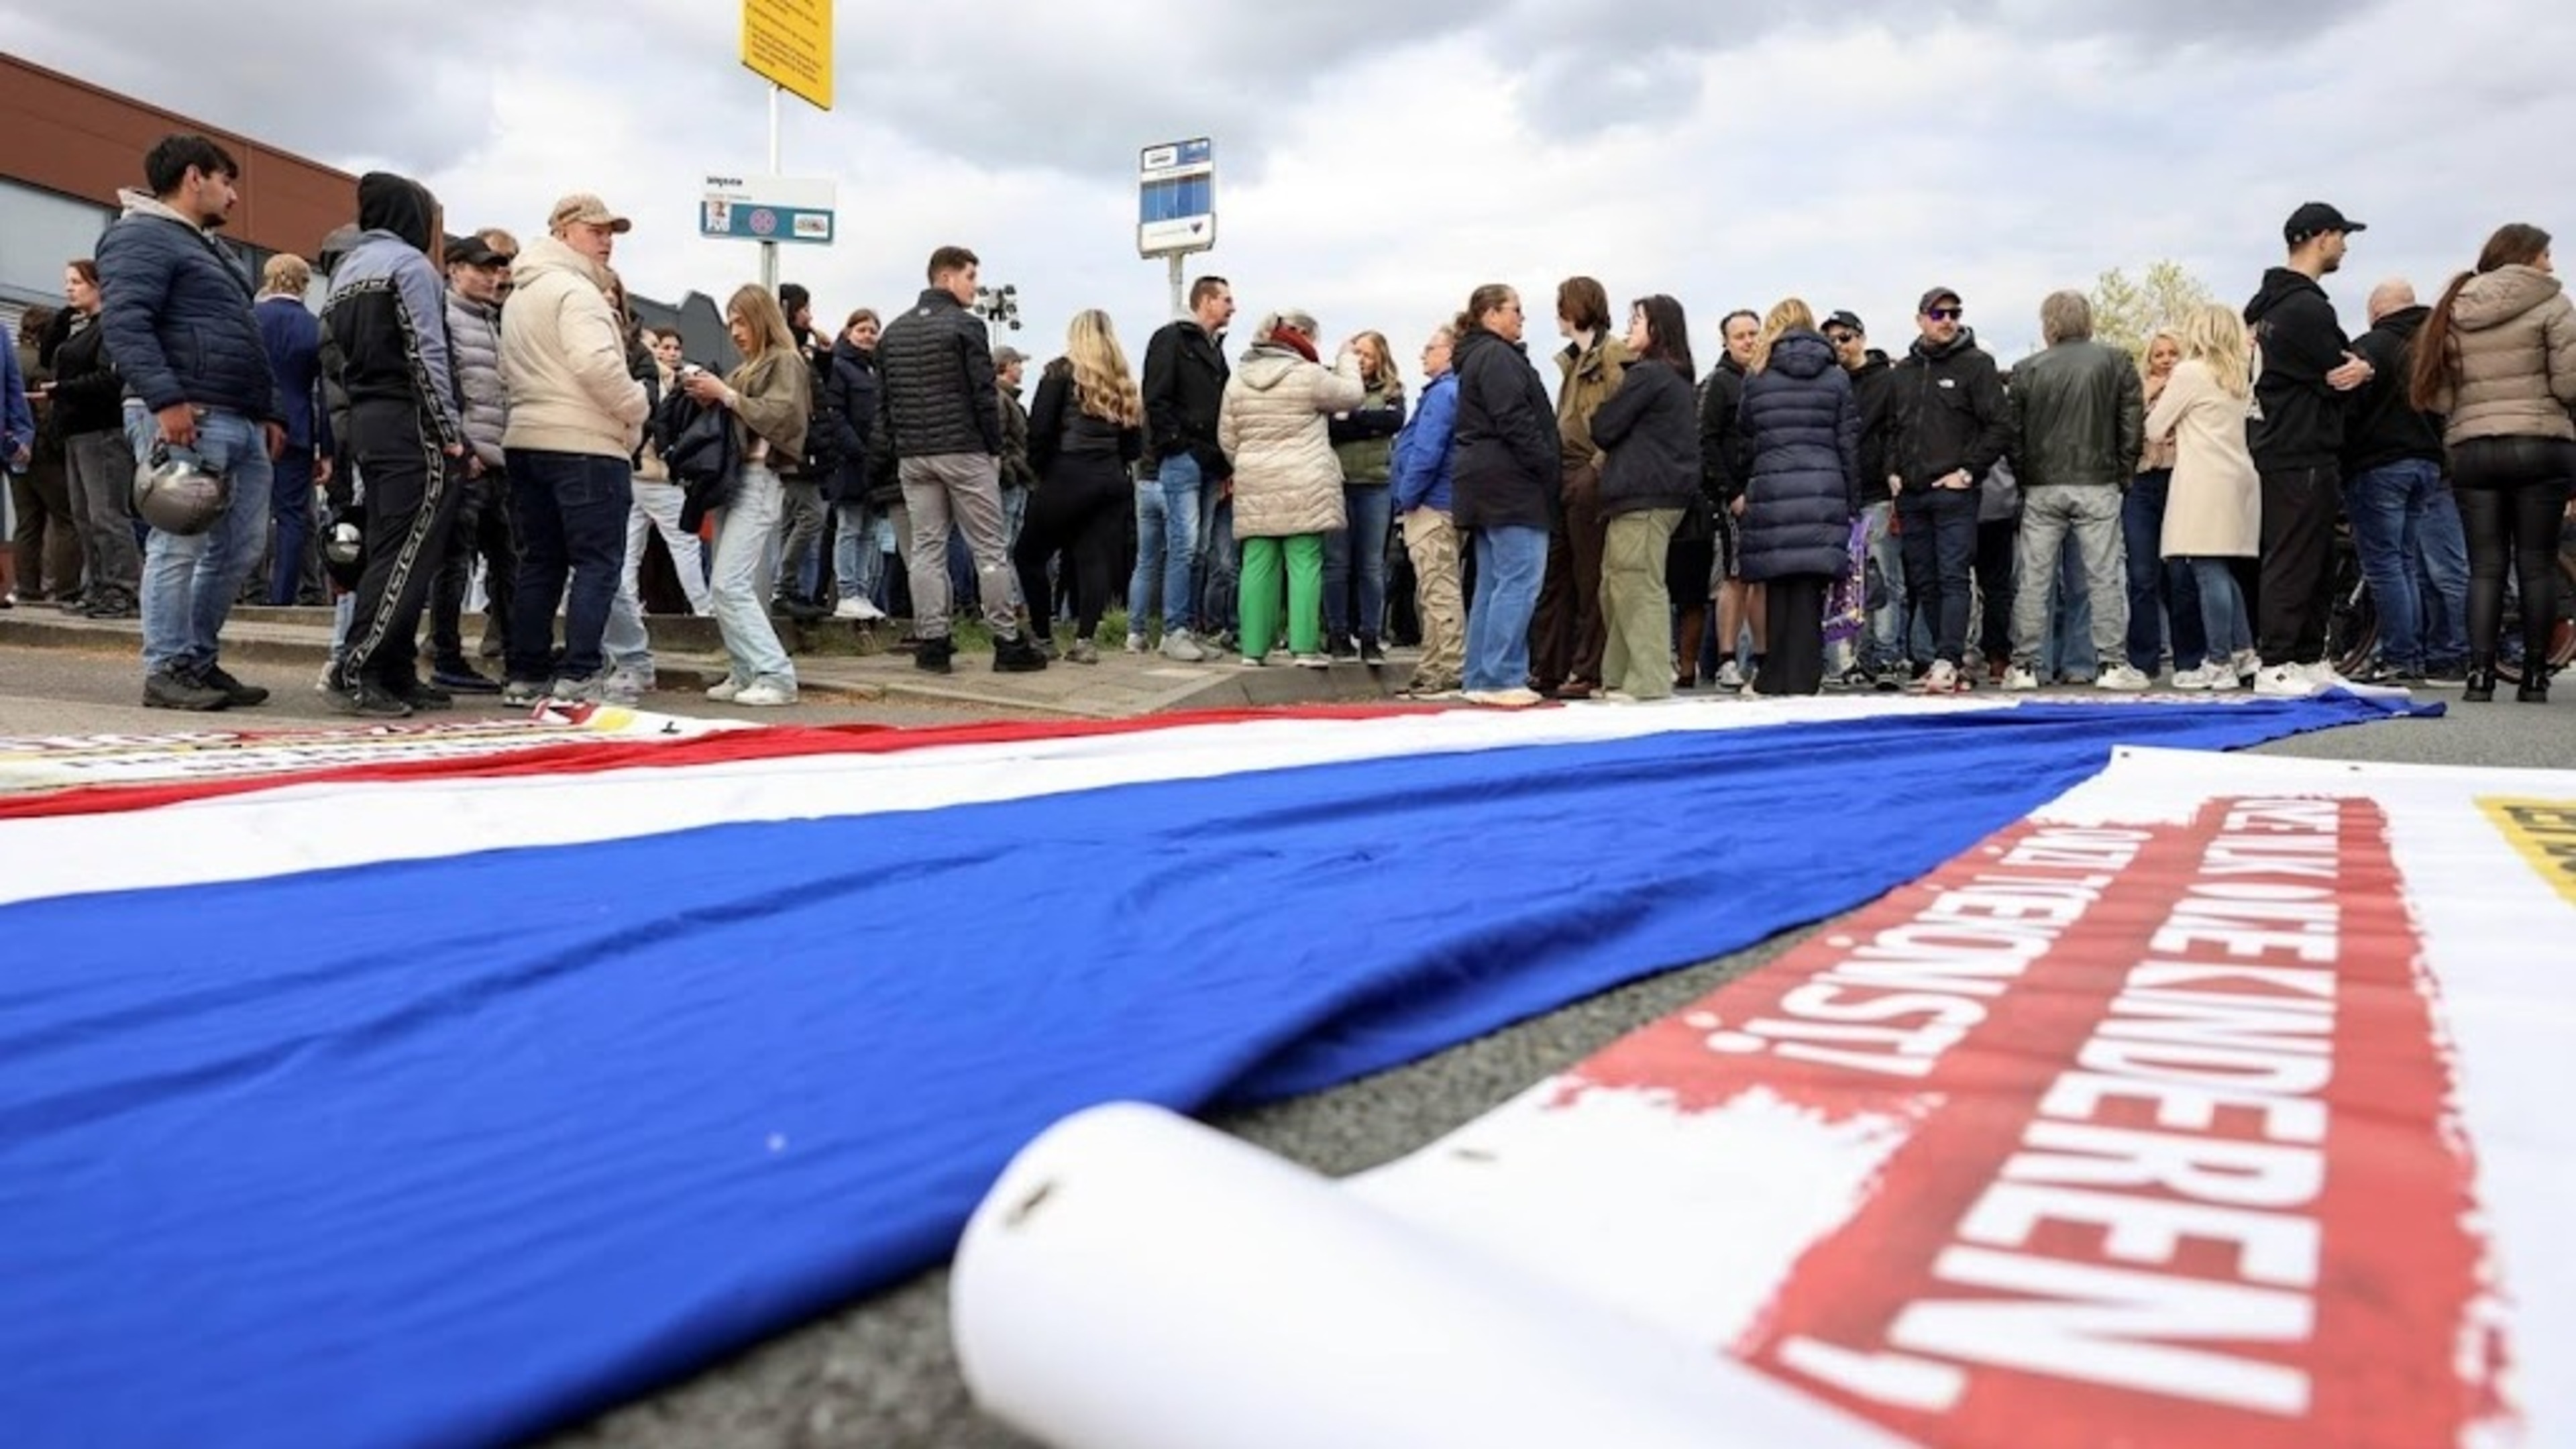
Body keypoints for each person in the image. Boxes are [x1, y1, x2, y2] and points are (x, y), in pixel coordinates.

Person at [97, 133, 284, 712]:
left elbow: (246, 337)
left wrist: (270, 411)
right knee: (178, 544)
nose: (233, 196)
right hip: (187, 414)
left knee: (242, 547)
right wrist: (165, 399)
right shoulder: (138, 236)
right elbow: (126, 323)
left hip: (238, 417)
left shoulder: (212, 250)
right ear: (194, 177)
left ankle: (197, 660)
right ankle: (167, 668)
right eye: (227, 182)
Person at [318, 172, 466, 718]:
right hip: (409, 420)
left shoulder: (348, 269)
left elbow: (331, 358)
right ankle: (360, 668)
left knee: (389, 545)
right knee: (406, 552)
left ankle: (394, 668)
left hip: (366, 418)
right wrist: (449, 433)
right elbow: (427, 352)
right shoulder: (411, 268)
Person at [2410, 222, 2576, 704]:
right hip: (2540, 442)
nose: (2551, 265)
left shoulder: (2455, 307)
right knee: (2537, 563)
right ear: (2527, 257)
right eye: (2546, 255)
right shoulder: (2553, 304)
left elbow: (2439, 394)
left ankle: (2479, 674)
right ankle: (2534, 676)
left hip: (2473, 449)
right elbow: (2569, 385)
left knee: (2485, 566)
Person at [497, 193, 651, 705]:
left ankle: (526, 674)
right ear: (563, 232)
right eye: (596, 230)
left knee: (541, 563)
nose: (607, 241)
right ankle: (580, 671)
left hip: (527, 438)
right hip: (584, 442)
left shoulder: (519, 295)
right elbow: (596, 366)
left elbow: (507, 371)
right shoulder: (577, 292)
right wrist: (639, 405)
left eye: (611, 232)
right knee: (597, 562)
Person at [877, 245, 1046, 674]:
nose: (975, 285)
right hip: (964, 450)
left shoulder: (892, 332)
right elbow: (982, 396)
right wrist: (993, 449)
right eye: (971, 276)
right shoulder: (967, 327)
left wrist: (898, 446)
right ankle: (1007, 642)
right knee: (988, 547)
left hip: (914, 456)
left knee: (927, 550)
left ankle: (933, 642)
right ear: (947, 277)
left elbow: (884, 403)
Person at [2245, 202, 2377, 696]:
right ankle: (2277, 661)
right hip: (2299, 444)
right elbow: (2339, 370)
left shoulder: (2270, 306)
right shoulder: (2304, 307)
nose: (2344, 245)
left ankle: (2305, 657)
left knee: (2316, 556)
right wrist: (2363, 367)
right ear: (2320, 236)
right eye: (2342, 235)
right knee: (2295, 555)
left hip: (2287, 442)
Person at [2002, 290, 2149, 691]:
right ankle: (2112, 664)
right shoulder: (2116, 361)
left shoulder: (2026, 369)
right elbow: (2131, 427)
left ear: (2048, 325)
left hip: (2043, 485)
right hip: (2098, 481)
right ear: (2088, 320)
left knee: (2034, 579)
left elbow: (2012, 434)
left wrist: (2026, 476)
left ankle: (2026, 666)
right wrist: (2123, 474)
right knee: (2102, 577)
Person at [681, 285, 814, 706]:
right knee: (726, 583)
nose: (735, 330)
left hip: (758, 478)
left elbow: (785, 417)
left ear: (761, 319)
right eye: (731, 322)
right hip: (735, 480)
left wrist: (724, 394)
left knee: (729, 583)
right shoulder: (754, 365)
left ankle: (775, 674)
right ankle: (744, 670)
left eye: (741, 321)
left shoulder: (785, 362)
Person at [1218, 309, 1364, 667]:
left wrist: (1252, 462)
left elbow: (1227, 437)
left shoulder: (1237, 381)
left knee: (1256, 563)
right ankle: (1304, 648)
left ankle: (1252, 650)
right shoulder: (1309, 376)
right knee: (1304, 563)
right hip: (1305, 482)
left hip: (1256, 482)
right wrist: (1347, 358)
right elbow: (1353, 395)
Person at [1884, 285, 2011, 694]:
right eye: (1939, 314)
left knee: (1954, 575)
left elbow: (2000, 425)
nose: (1948, 321)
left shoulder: (1977, 364)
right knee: (1924, 580)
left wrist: (1970, 471)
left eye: (1954, 313)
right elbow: (1891, 427)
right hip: (1913, 491)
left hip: (1955, 491)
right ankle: (1944, 657)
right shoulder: (1902, 372)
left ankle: (1949, 659)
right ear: (1920, 318)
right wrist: (1892, 470)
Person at [1734, 299, 1860, 696]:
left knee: (1778, 585)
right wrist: (1852, 502)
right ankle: (1806, 677)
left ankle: (1775, 675)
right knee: (1810, 588)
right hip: (1823, 487)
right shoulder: (1836, 377)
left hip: (1774, 485)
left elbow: (1745, 429)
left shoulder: (1757, 376)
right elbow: (1848, 443)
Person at [1012, 311, 1144, 664]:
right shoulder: (1123, 380)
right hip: (1112, 480)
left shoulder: (1059, 373)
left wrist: (1039, 472)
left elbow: (1039, 431)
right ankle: (1086, 640)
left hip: (1067, 474)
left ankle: (1042, 635)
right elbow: (1134, 445)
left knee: (1029, 555)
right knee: (1093, 560)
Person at [1587, 295, 1701, 702]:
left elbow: (1604, 426)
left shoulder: (1650, 375)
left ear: (1658, 329)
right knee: (1616, 584)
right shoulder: (1672, 377)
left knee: (1637, 583)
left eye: (1637, 320)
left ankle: (1648, 681)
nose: (1628, 328)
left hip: (1645, 494)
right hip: (1648, 494)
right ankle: (1618, 676)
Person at [1451, 284, 1560, 707]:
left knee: (1493, 584)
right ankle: (1502, 676)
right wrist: (1546, 462)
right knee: (1519, 580)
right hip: (1511, 482)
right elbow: (1513, 416)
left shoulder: (1476, 356)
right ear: (1490, 314)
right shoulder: (1498, 356)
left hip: (1484, 481)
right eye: (1515, 309)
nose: (1521, 318)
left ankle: (1480, 675)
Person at [2343, 279, 2454, 685]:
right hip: (2427, 463)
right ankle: (2416, 657)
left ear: (2377, 311)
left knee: (2385, 565)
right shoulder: (2433, 347)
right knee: (2406, 562)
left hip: (2380, 464)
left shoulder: (2372, 346)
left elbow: (2349, 409)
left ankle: (2400, 657)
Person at [2148, 304, 2263, 692]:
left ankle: (2218, 662)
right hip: (2238, 475)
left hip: (2203, 479)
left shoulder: (2190, 373)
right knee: (2222, 570)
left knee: (2206, 568)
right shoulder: (2239, 372)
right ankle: (2244, 653)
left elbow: (2154, 426)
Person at [427, 233, 518, 692]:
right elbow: (440, 387)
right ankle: (446, 656)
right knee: (454, 564)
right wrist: (460, 446)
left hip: (499, 460)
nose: (491, 276)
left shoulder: (492, 321)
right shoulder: (443, 317)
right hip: (466, 460)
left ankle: (516, 653)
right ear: (455, 269)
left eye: (495, 268)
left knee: (507, 562)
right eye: (481, 268)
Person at [1532, 276, 1626, 700]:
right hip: (1565, 471)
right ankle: (1550, 665)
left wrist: (1596, 467)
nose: (1556, 314)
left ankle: (1590, 668)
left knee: (1591, 576)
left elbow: (1623, 417)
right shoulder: (1573, 360)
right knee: (1558, 575)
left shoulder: (1612, 354)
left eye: (1560, 305)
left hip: (1590, 471)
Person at [1134, 275, 1234, 660]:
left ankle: (1187, 627)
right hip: (1184, 457)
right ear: (1206, 301)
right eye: (1226, 299)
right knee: (1184, 545)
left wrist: (1224, 463)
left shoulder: (1215, 350)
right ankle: (1174, 629)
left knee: (1200, 549)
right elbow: (1155, 397)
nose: (1232, 306)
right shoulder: (1171, 339)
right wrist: (1175, 445)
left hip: (1209, 460)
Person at [44, 266, 142, 619]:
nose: (69, 289)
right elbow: (48, 357)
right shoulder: (79, 330)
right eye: (66, 282)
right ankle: (99, 585)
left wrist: (63, 390)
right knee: (84, 515)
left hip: (101, 430)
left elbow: (110, 379)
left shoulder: (110, 329)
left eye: (76, 283)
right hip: (75, 430)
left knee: (107, 513)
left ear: (97, 286)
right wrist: (62, 318)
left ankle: (124, 588)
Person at [2122, 327, 2207, 685]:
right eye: (2159, 354)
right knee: (2142, 575)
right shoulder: (2137, 391)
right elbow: (2123, 429)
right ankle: (2143, 661)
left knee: (2180, 574)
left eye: (2173, 353)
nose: (2166, 360)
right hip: (2142, 483)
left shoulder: (2193, 387)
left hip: (2181, 481)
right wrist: (2149, 393)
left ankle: (2190, 658)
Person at [1323, 329, 1406, 661]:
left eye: (1368, 354)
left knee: (1372, 564)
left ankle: (1371, 635)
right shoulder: (1334, 387)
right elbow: (1331, 427)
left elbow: (1393, 421)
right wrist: (1368, 424)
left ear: (1380, 358)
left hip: (1375, 485)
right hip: (1338, 483)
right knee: (1337, 563)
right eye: (1356, 353)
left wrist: (1354, 418)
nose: (1361, 360)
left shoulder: (1393, 390)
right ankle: (1337, 633)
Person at [1389, 325, 1462, 697]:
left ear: (1449, 352)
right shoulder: (1450, 392)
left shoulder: (1442, 395)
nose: (1423, 354)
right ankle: (1432, 665)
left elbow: (1426, 452)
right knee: (1433, 588)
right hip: (1441, 501)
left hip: (1431, 503)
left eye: (1429, 348)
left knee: (1438, 587)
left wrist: (1406, 496)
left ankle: (1449, 668)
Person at [252, 254, 327, 608]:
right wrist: (325, 448)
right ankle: (283, 595)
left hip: (252, 420)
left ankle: (247, 588)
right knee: (292, 517)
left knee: (246, 510)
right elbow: (327, 392)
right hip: (298, 427)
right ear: (305, 283)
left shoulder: (251, 319)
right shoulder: (315, 327)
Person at [1826, 311, 1896, 686]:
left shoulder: (1887, 380)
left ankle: (1883, 655)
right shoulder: (1829, 381)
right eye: (1833, 340)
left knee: (1881, 577)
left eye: (1846, 337)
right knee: (1843, 583)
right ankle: (1842, 660)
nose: (1840, 345)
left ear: (1862, 338)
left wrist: (1892, 471)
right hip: (1837, 491)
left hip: (1876, 489)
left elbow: (1896, 430)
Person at [1699, 309, 1763, 688]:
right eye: (1740, 335)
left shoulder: (1765, 380)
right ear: (1725, 341)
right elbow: (1704, 441)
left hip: (1766, 493)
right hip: (1732, 497)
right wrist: (1730, 492)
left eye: (1754, 333)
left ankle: (1760, 657)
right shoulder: (1718, 383)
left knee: (1762, 580)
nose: (1748, 341)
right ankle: (1726, 659)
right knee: (1734, 578)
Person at [770, 281, 834, 619]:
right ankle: (784, 587)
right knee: (811, 516)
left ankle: (786, 587)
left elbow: (817, 392)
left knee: (794, 517)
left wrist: (823, 354)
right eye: (805, 309)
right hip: (797, 448)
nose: (810, 315)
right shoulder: (785, 353)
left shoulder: (802, 352)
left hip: (806, 446)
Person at [11, 307, 80, 608]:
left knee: (27, 521)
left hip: (14, 449)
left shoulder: (11, 357)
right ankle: (66, 589)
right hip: (44, 448)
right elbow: (47, 412)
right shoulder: (42, 365)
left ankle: (27, 588)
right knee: (66, 518)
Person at [824, 309, 888, 621]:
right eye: (862, 329)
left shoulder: (877, 371)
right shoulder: (839, 366)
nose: (868, 335)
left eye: (873, 330)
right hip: (850, 461)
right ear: (848, 331)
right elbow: (835, 413)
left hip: (874, 462)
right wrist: (855, 449)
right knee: (850, 528)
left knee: (869, 531)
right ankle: (848, 592)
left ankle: (862, 592)